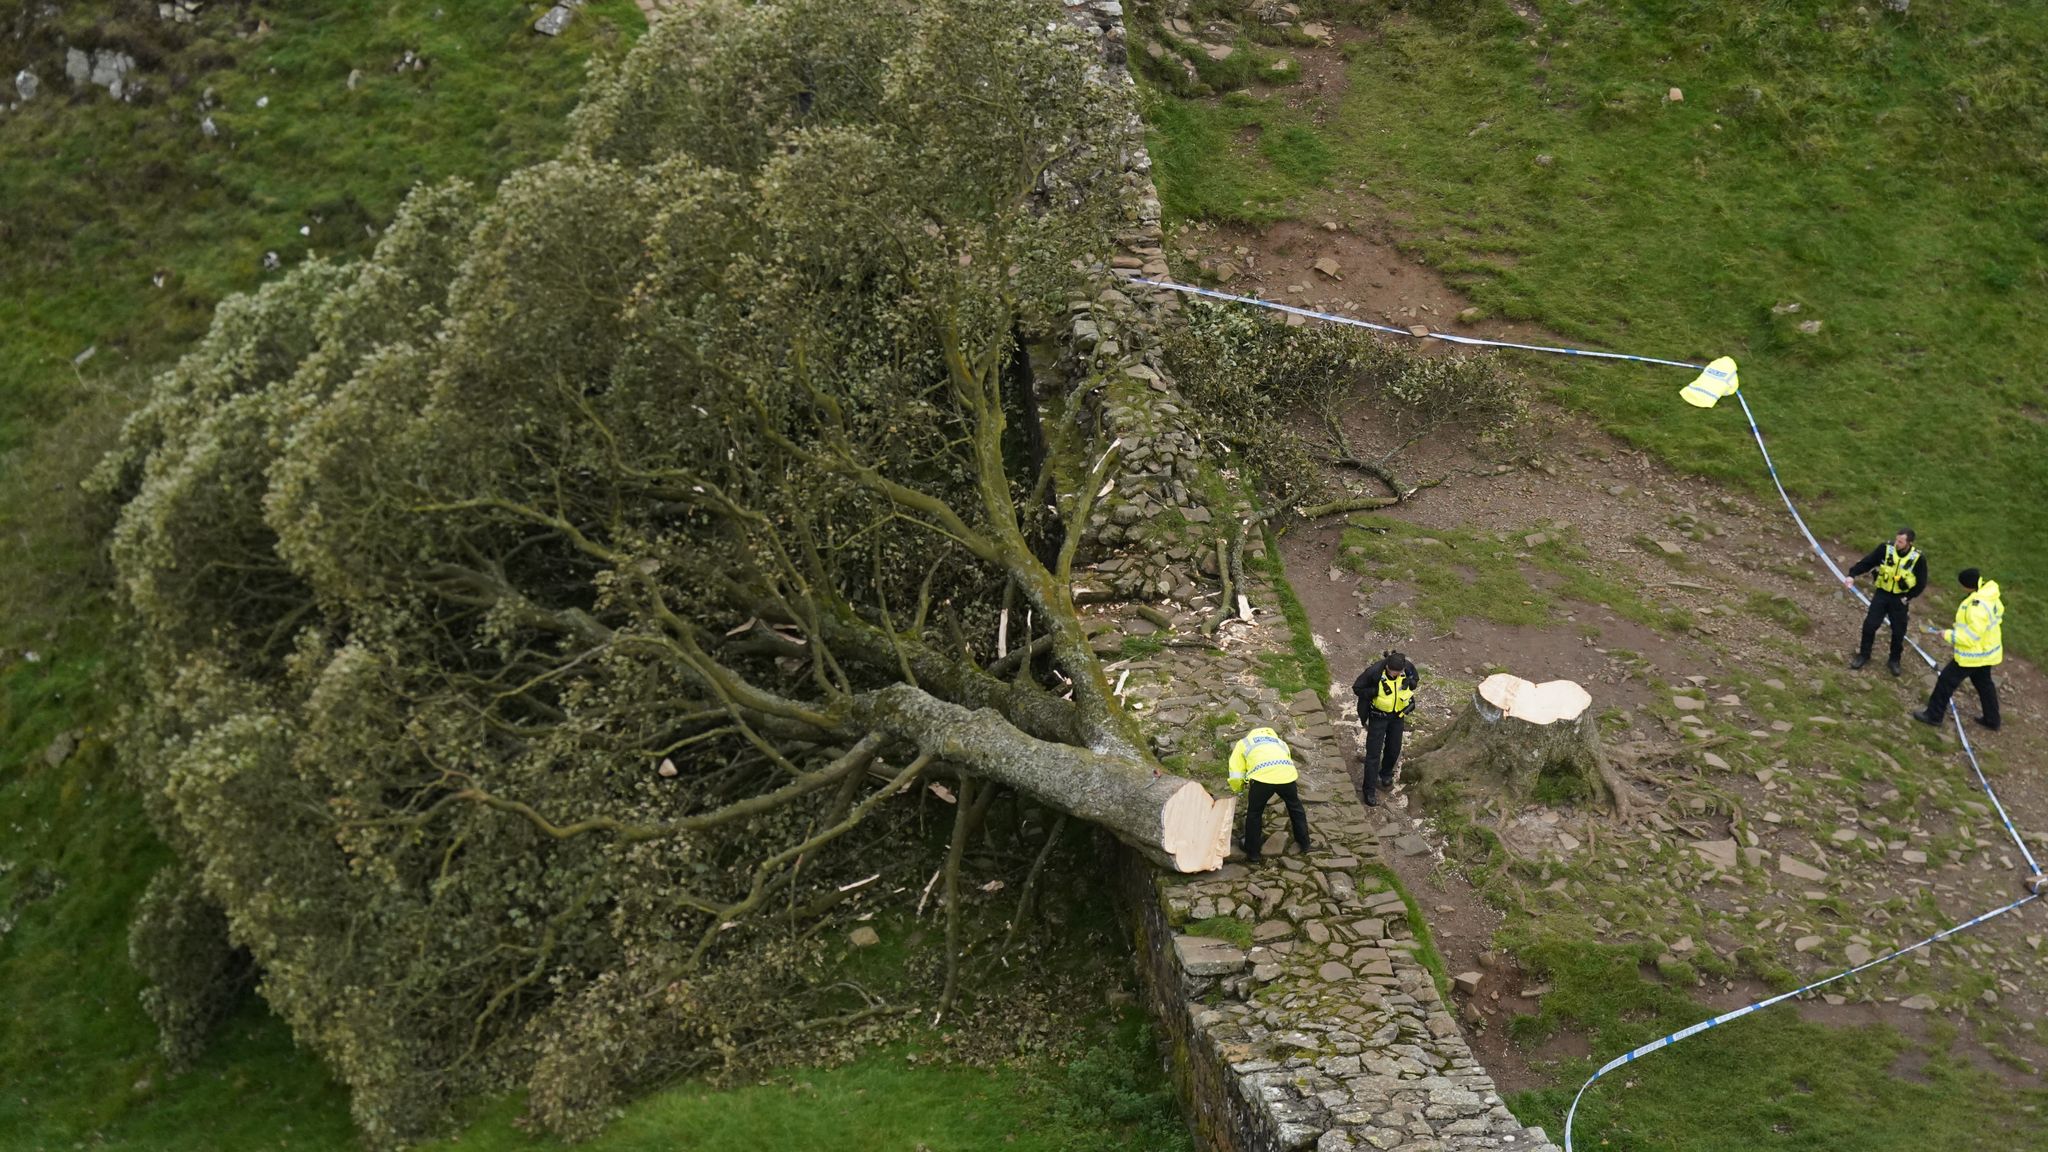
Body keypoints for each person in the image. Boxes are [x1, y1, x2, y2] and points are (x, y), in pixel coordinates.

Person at [1912, 568, 2003, 731]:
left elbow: (1970, 637)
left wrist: (1948, 635)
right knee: (1984, 684)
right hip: (1987, 651)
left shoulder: (1976, 606)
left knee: (1946, 681)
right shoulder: (1990, 595)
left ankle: (1934, 715)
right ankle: (1992, 719)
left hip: (1973, 654)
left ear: (1969, 586)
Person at [1842, 527, 1928, 676]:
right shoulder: (1885, 549)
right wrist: (1852, 574)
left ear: (1909, 543)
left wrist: (1908, 597)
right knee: (1870, 625)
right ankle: (1864, 655)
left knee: (1898, 631)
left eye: (1901, 541)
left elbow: (1921, 582)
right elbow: (1867, 562)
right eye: (1897, 539)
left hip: (1900, 599)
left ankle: (1894, 660)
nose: (1897, 543)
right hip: (1882, 594)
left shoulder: (1918, 558)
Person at [1227, 726, 1310, 863]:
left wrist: (1239, 788)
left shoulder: (1244, 743)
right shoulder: (1280, 742)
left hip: (1262, 780)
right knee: (1295, 808)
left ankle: (1253, 852)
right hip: (1287, 777)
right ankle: (1305, 843)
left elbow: (1236, 773)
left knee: (1254, 813)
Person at [1351, 649, 1419, 806]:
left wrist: (1412, 683)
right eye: (1392, 671)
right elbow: (1357, 688)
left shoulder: (1407, 667)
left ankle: (1386, 774)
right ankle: (1369, 790)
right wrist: (1374, 692)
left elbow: (1415, 678)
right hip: (1378, 717)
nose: (1395, 674)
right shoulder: (1374, 672)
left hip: (1398, 716)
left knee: (1394, 748)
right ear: (1387, 666)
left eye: (1398, 672)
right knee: (1373, 754)